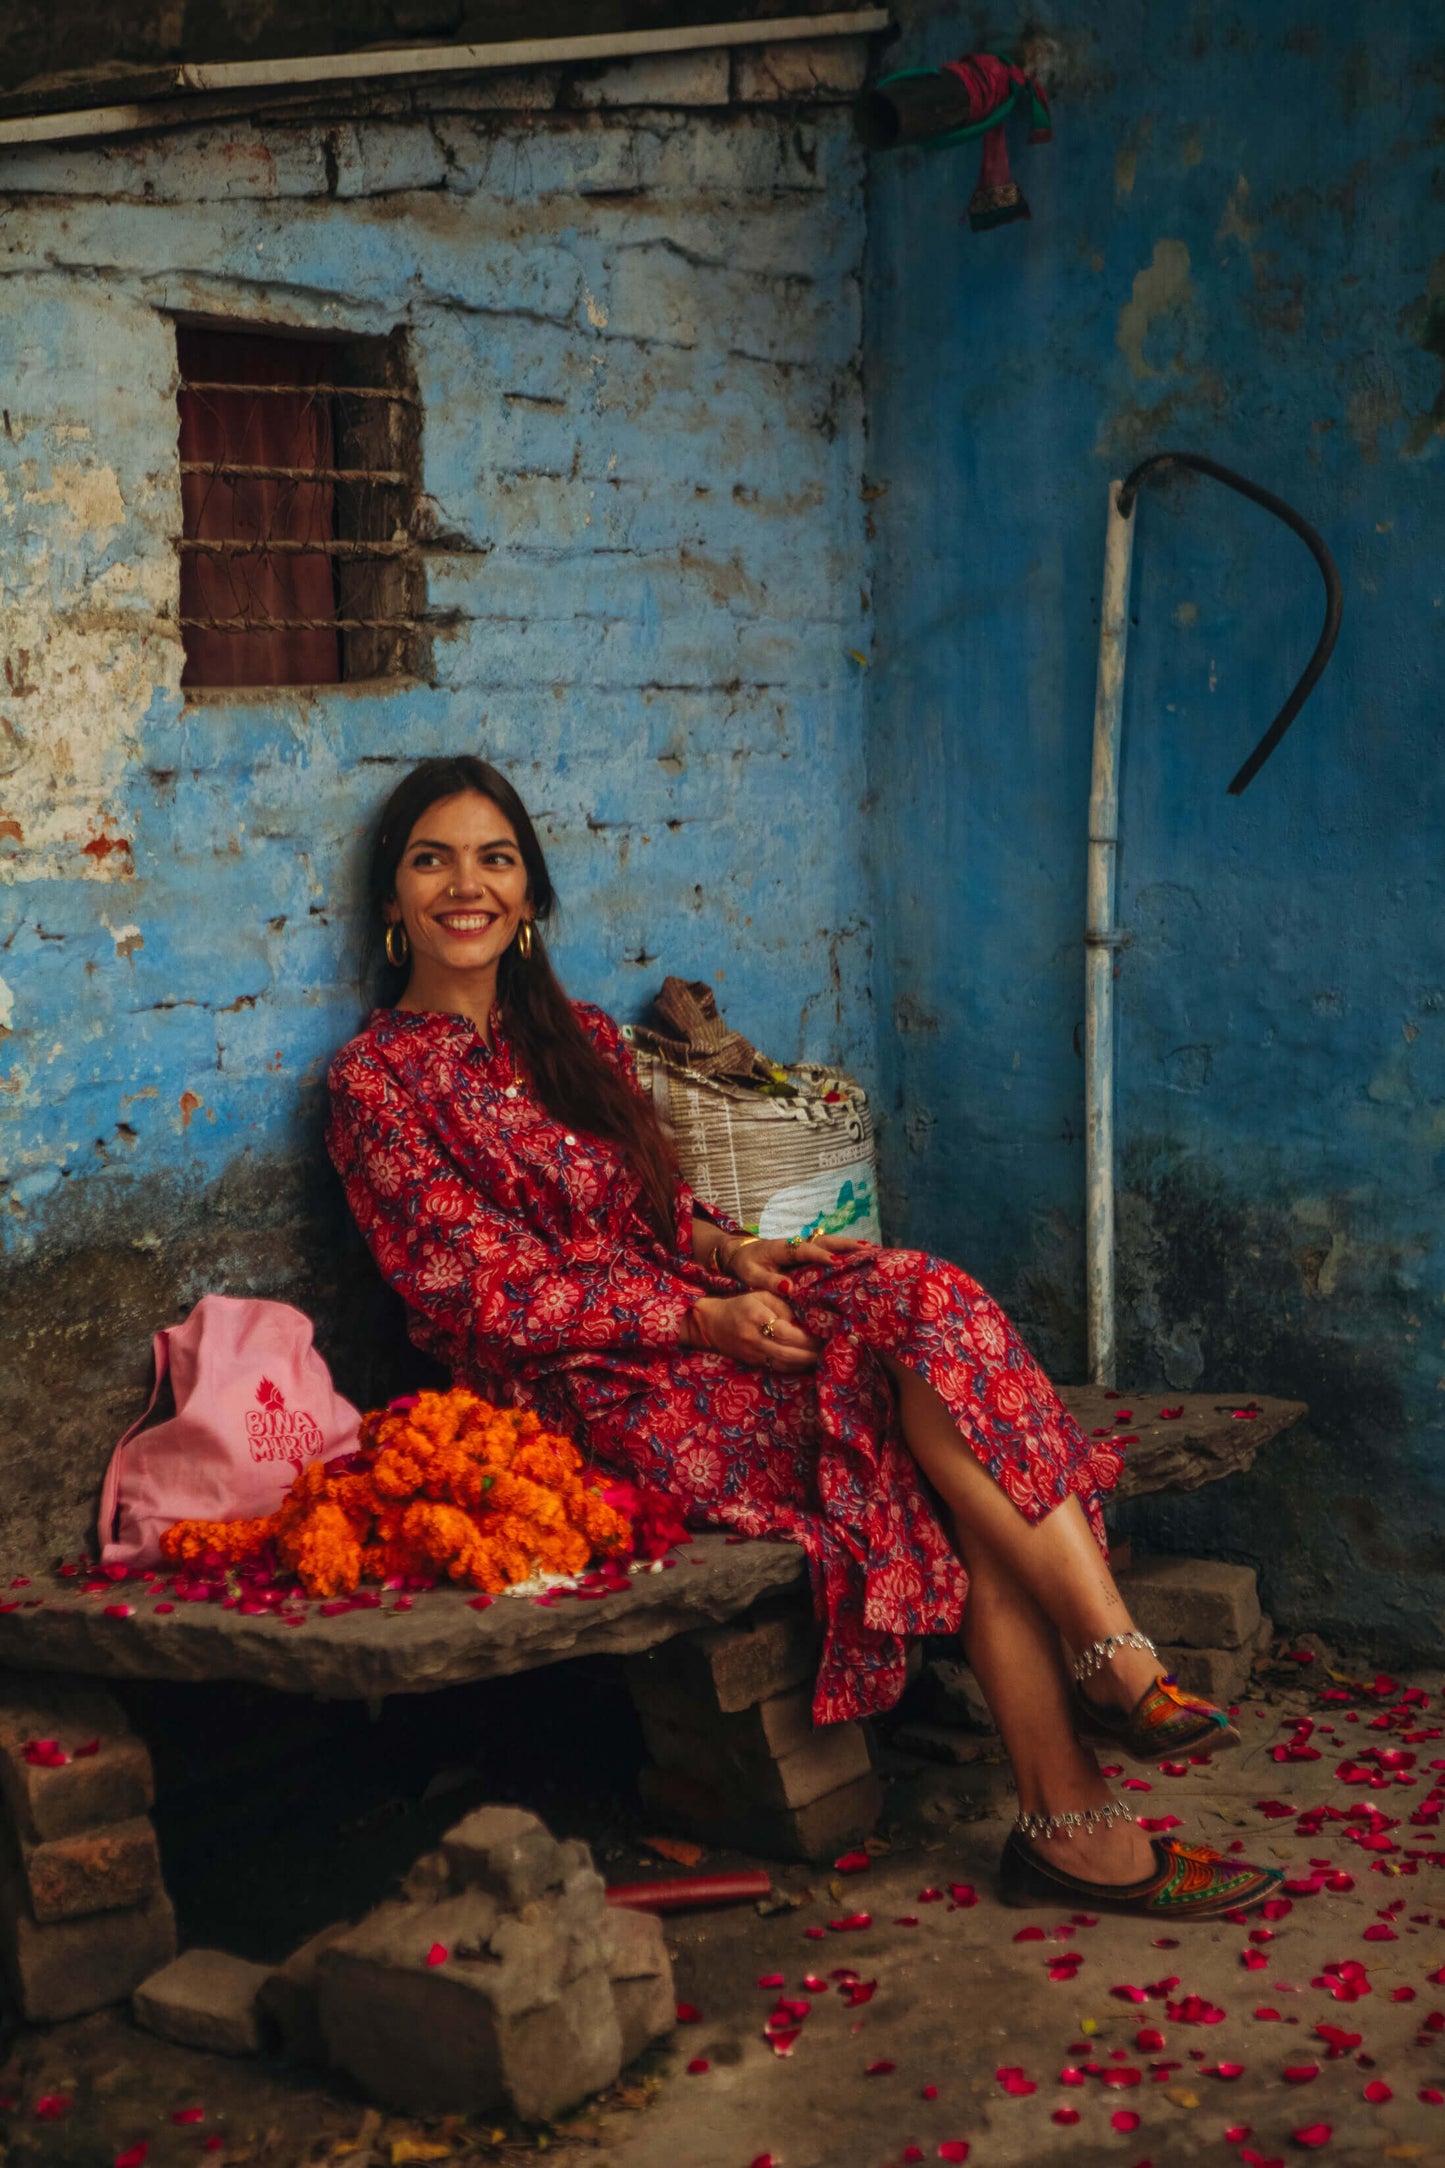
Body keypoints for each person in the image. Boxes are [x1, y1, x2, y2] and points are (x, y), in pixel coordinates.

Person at [327, 755, 1281, 1920]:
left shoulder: (578, 1039)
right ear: (391, 901)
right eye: (432, 859)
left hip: (702, 1316)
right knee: (912, 1432)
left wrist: (734, 1255)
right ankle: (1085, 1772)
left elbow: (659, 1206)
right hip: (577, 1389)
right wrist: (692, 1314)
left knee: (920, 1301)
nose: (465, 885)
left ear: (529, 894)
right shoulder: (376, 1081)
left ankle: (1102, 1684)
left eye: (496, 857)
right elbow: (478, 1290)